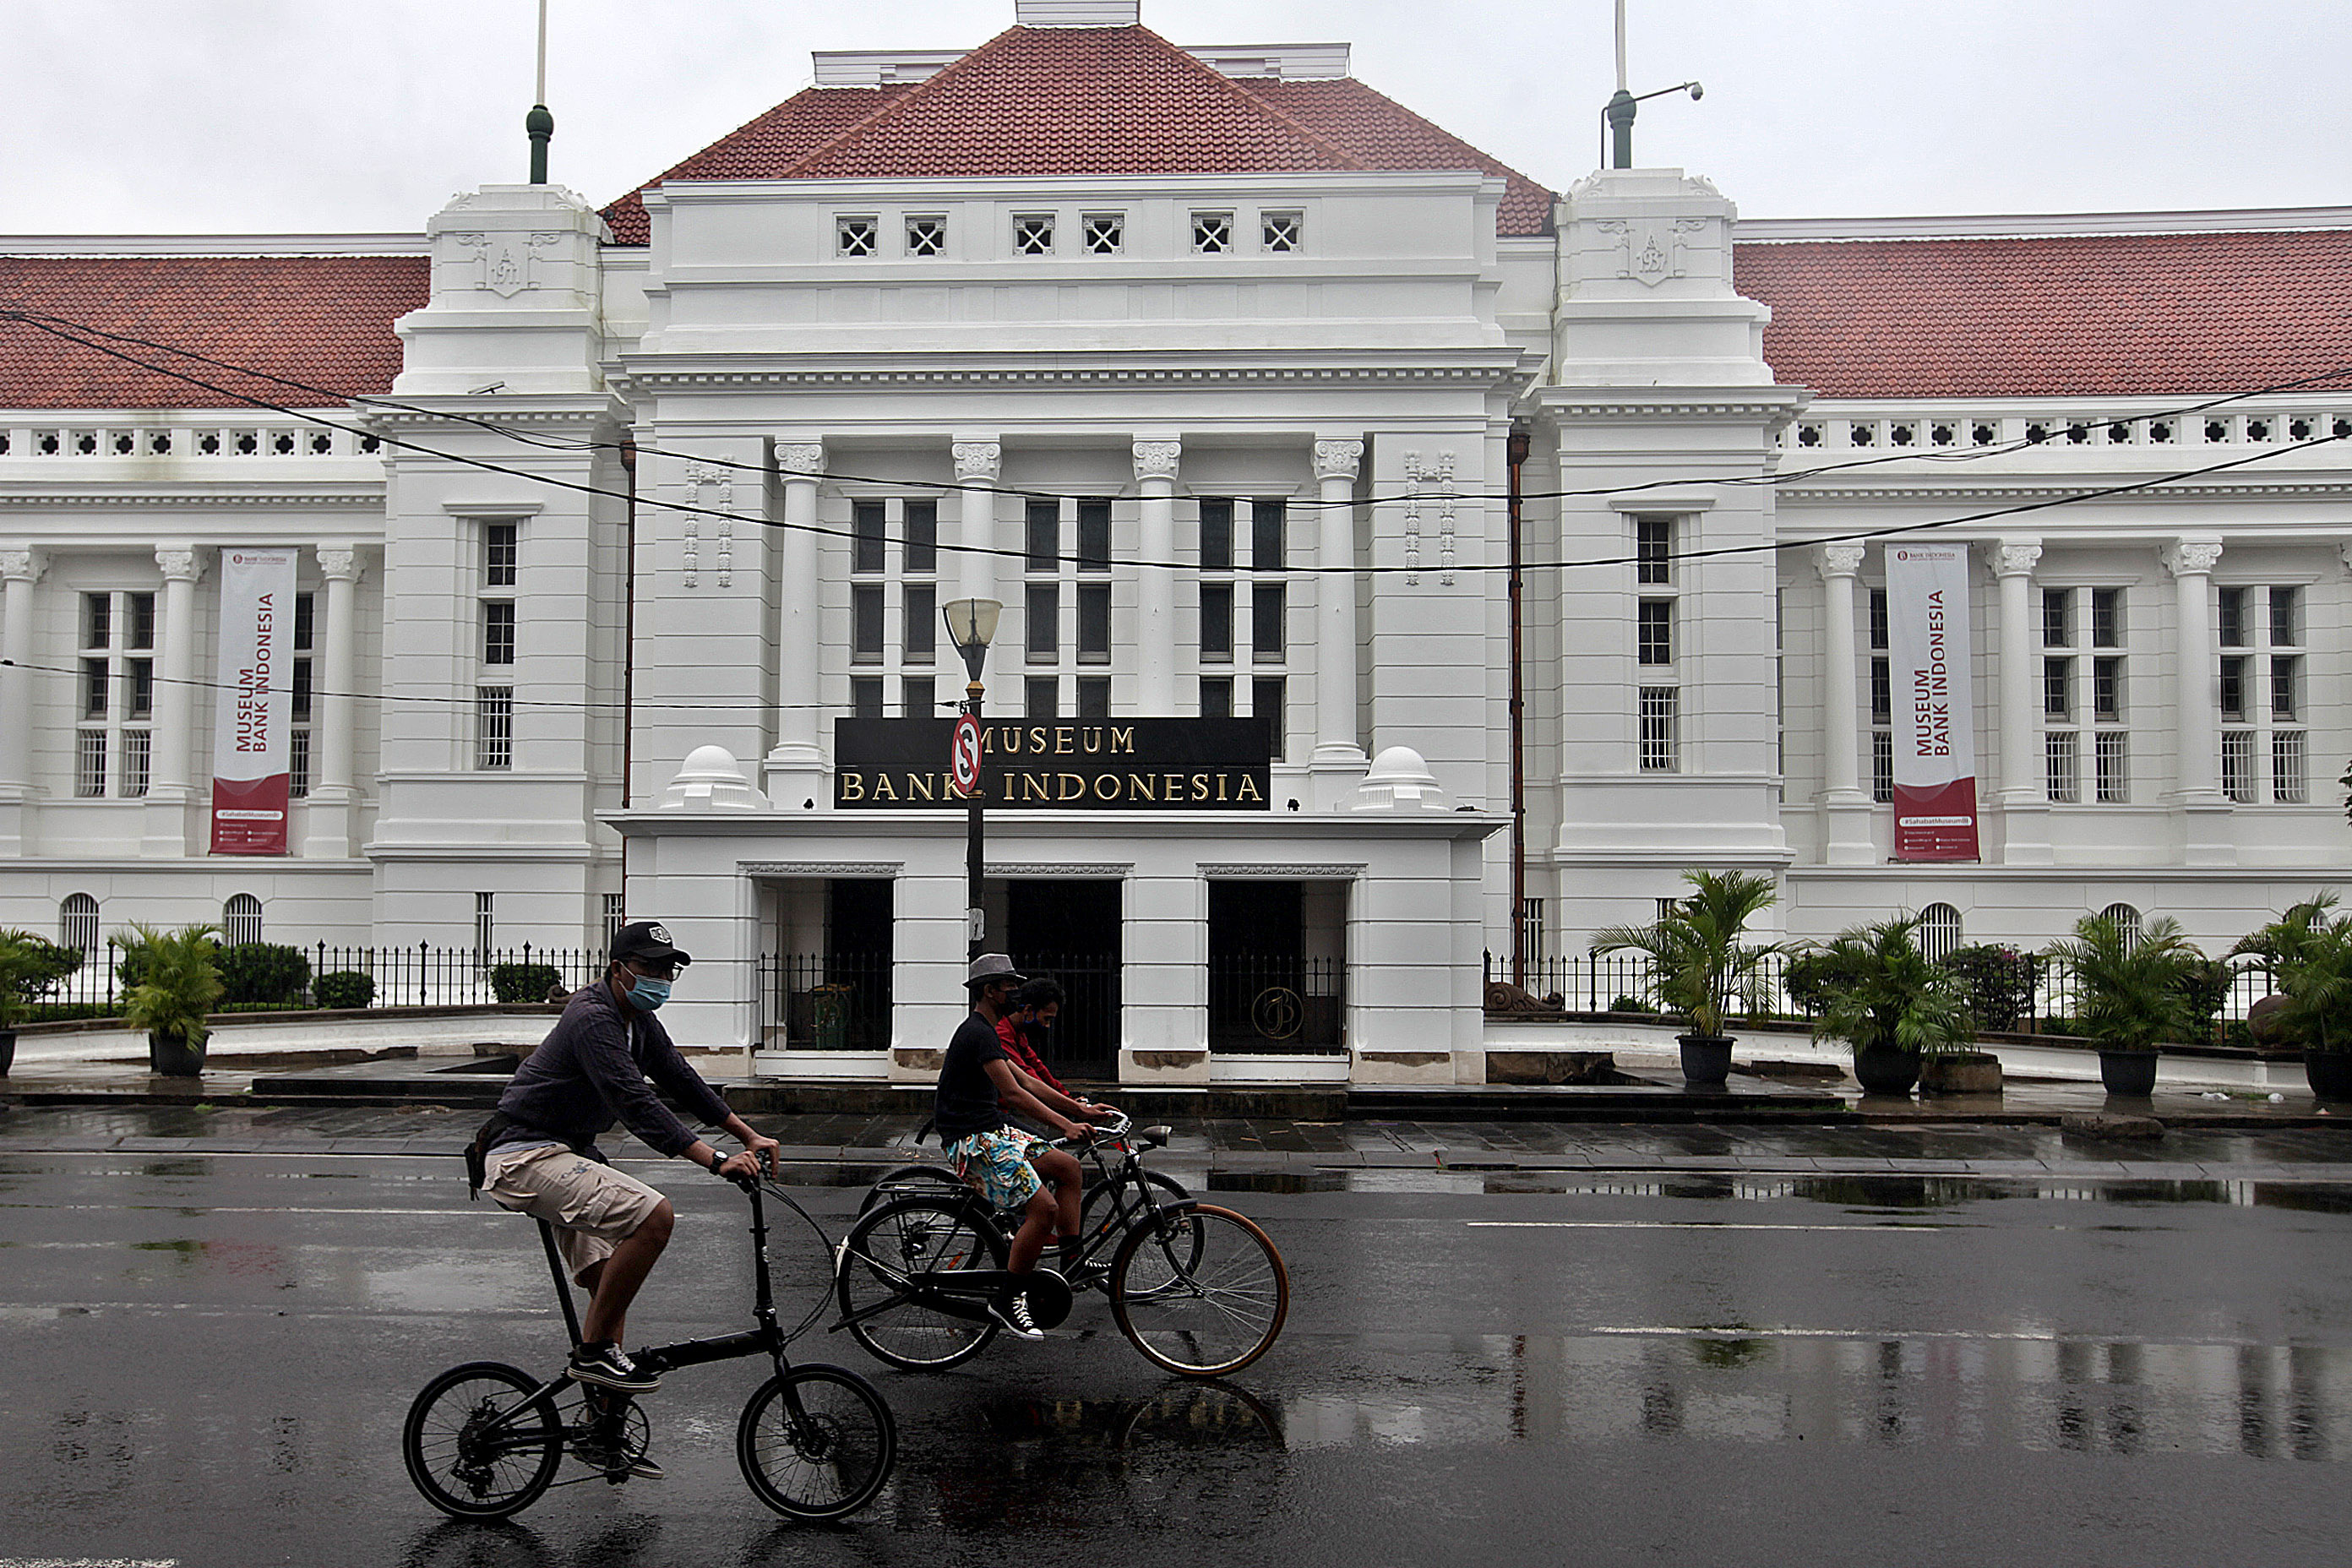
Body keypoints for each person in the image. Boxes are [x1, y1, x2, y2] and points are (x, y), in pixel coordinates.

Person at [473, 919, 779, 1476]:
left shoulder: (639, 1020)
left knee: (607, 1290)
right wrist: (714, 1160)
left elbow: (682, 1080)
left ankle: (601, 1430)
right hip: (524, 1155)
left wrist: (747, 1135)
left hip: (569, 1154)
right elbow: (634, 1101)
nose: (661, 979)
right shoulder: (594, 1016)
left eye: (669, 970)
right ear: (617, 969)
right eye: (650, 969)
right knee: (654, 1217)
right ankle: (592, 1358)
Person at [933, 954, 1116, 1338]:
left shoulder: (992, 1029)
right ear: (990, 991)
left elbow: (1032, 1082)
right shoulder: (977, 1032)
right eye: (1009, 987)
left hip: (993, 1129)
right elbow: (1014, 1094)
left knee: (1068, 1168)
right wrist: (1066, 1123)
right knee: (1043, 1209)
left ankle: (1071, 1260)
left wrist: (1082, 1110)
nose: (1016, 994)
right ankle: (1008, 1299)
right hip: (972, 1139)